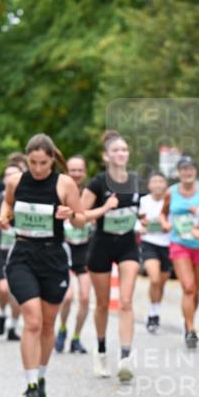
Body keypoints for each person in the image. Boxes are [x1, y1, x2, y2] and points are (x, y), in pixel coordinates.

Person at [0, 134, 86, 397]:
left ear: (51, 160)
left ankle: (42, 375)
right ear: (26, 160)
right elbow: (8, 204)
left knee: (47, 324)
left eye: (43, 163)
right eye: (33, 163)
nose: (37, 169)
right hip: (22, 254)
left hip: (53, 257)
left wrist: (70, 215)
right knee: (32, 321)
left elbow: (81, 220)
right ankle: (31, 384)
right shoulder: (15, 182)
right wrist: (3, 217)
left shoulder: (64, 183)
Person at [82, 130, 141, 381]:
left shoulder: (137, 180)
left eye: (124, 150)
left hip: (127, 244)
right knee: (103, 303)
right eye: (116, 150)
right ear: (106, 156)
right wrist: (105, 207)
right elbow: (80, 216)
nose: (121, 153)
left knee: (126, 301)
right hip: (101, 246)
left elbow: (144, 208)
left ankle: (125, 357)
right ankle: (102, 348)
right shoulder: (97, 183)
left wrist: (144, 218)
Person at [166, 155, 199, 348]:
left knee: (197, 290)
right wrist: (166, 222)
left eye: (190, 168)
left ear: (195, 171)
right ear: (179, 172)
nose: (187, 172)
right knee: (189, 287)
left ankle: (188, 319)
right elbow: (162, 212)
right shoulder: (171, 191)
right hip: (179, 243)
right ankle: (190, 329)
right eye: (183, 169)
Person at [55, 155, 92, 353]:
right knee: (67, 297)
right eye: (73, 170)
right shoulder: (59, 192)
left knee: (85, 298)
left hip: (84, 252)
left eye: (80, 170)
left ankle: (76, 337)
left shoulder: (89, 194)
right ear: (66, 173)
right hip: (64, 251)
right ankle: (62, 330)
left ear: (84, 172)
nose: (76, 174)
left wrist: (91, 218)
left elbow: (93, 217)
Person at [0, 163, 23, 341]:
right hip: (0, 250)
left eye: (15, 174)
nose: (11, 178)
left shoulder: (26, 199)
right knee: (4, 289)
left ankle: (12, 325)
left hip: (20, 250)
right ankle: (3, 313)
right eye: (7, 175)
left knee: (18, 292)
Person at [137, 171, 172, 333]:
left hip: (167, 244)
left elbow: (179, 220)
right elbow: (135, 222)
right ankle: (152, 312)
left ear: (165, 185)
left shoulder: (170, 200)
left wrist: (170, 226)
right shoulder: (143, 201)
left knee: (162, 282)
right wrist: (140, 228)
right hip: (149, 243)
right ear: (149, 185)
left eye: (161, 181)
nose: (158, 184)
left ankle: (156, 311)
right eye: (154, 181)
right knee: (155, 279)